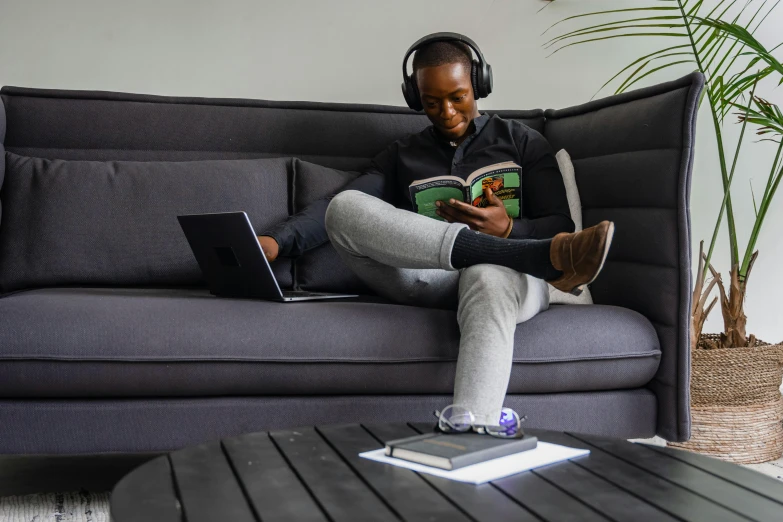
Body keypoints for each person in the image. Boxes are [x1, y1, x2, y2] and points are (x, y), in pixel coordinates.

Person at [257, 33, 614, 434]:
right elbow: (338, 207)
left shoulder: (523, 142)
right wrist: (274, 242)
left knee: (487, 274)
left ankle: (471, 436)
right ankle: (515, 253)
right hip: (432, 280)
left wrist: (510, 228)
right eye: (431, 102)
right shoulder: (402, 155)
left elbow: (560, 228)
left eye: (458, 97)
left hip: (509, 282)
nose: (445, 111)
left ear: (478, 86)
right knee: (345, 207)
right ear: (416, 98)